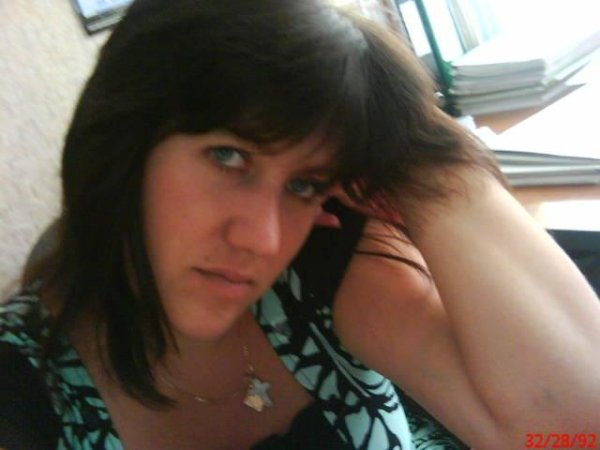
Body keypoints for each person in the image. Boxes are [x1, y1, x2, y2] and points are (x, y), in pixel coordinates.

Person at [1, 0, 599, 448]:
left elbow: (568, 431)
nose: (265, 240)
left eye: (304, 184)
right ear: (122, 143)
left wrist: (417, 143)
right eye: (228, 157)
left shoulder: (317, 264)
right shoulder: (20, 388)